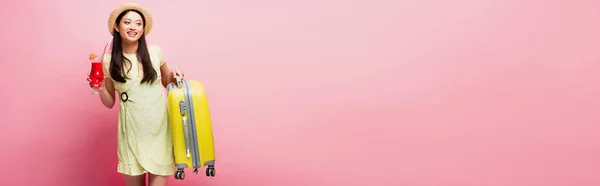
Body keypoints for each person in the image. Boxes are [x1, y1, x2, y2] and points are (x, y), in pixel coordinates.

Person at [92, 3, 183, 186]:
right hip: (130, 133)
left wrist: (174, 73)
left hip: (159, 132)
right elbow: (109, 102)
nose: (133, 27)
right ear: (117, 28)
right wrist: (101, 89)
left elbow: (166, 81)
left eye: (138, 23)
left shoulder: (155, 53)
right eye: (127, 22)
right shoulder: (108, 61)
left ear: (143, 29)